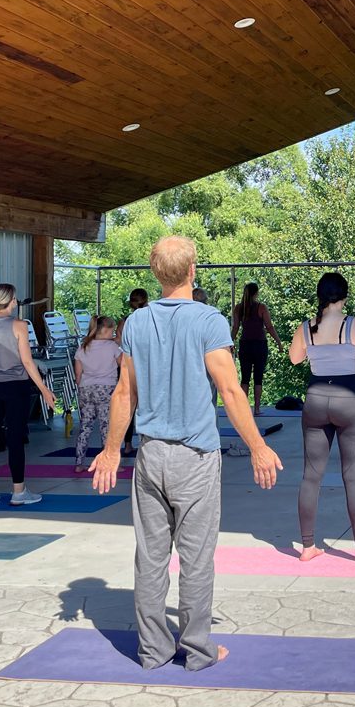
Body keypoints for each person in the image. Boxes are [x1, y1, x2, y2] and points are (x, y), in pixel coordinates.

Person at [90, 236, 280, 671]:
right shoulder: (208, 320)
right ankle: (196, 651)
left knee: (150, 558)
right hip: (195, 458)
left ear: (156, 273)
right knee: (196, 559)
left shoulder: (135, 323)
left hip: (151, 455)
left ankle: (154, 651)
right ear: (192, 271)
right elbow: (231, 390)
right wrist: (258, 447)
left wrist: (112, 450)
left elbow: (125, 392)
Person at [287, 273, 355, 560]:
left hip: (316, 400)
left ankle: (307, 548)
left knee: (310, 477)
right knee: (352, 478)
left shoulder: (306, 328)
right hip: (350, 401)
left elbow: (295, 358)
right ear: (344, 296)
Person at [0, 284, 57, 506]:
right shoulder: (19, 326)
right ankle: (18, 491)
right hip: (16, 387)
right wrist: (44, 390)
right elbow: (26, 361)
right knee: (15, 438)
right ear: (12, 300)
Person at [71, 316, 121, 472]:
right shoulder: (112, 348)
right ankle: (108, 463)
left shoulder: (83, 346)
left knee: (85, 426)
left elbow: (78, 375)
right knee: (107, 427)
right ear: (105, 330)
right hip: (106, 389)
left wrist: (82, 387)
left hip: (86, 389)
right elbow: (123, 366)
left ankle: (79, 462)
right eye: (112, 331)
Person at [230, 282, 280, 414]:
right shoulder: (261, 307)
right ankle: (257, 409)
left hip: (245, 345)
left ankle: (243, 409)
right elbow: (269, 327)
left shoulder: (238, 308)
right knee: (258, 377)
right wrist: (279, 342)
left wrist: (230, 342)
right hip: (259, 345)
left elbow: (235, 328)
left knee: (245, 377)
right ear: (256, 293)